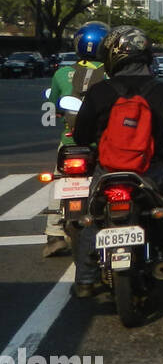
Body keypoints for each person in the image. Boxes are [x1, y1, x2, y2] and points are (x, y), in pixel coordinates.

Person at [71, 25, 163, 298]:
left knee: (93, 215)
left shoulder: (98, 92)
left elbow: (81, 135)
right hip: (151, 169)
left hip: (108, 170)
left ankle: (85, 280)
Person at [42, 21, 108, 257]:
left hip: (71, 143)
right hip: (100, 142)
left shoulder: (61, 73)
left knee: (59, 180)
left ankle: (54, 234)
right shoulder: (111, 74)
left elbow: (52, 105)